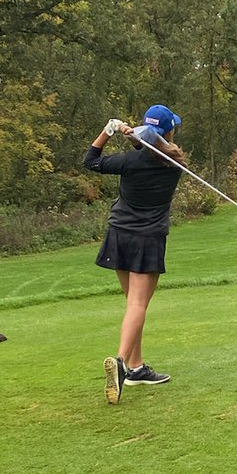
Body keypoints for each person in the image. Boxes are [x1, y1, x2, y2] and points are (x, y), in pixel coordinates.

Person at [83, 105, 185, 405]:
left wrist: (109, 131)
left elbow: (91, 161)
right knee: (138, 305)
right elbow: (156, 150)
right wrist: (136, 137)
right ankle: (121, 362)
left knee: (132, 304)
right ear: (169, 131)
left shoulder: (129, 161)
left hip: (119, 235)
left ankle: (136, 368)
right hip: (147, 238)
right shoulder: (175, 164)